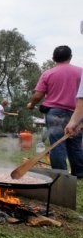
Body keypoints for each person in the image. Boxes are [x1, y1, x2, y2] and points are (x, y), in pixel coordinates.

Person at [27, 46, 83, 177]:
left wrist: (31, 104)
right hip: (77, 112)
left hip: (55, 112)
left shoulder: (48, 73)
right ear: (70, 57)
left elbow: (38, 95)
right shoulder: (81, 72)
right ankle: (79, 173)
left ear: (53, 58)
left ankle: (60, 174)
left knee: (57, 143)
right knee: (75, 143)